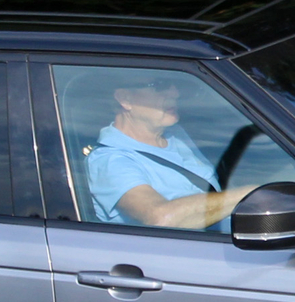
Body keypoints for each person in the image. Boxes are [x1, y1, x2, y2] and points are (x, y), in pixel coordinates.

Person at [85, 73, 258, 230]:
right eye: (160, 85)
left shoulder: (174, 133)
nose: (175, 93)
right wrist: (250, 194)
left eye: (174, 84)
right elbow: (159, 217)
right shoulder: (112, 161)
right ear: (125, 99)